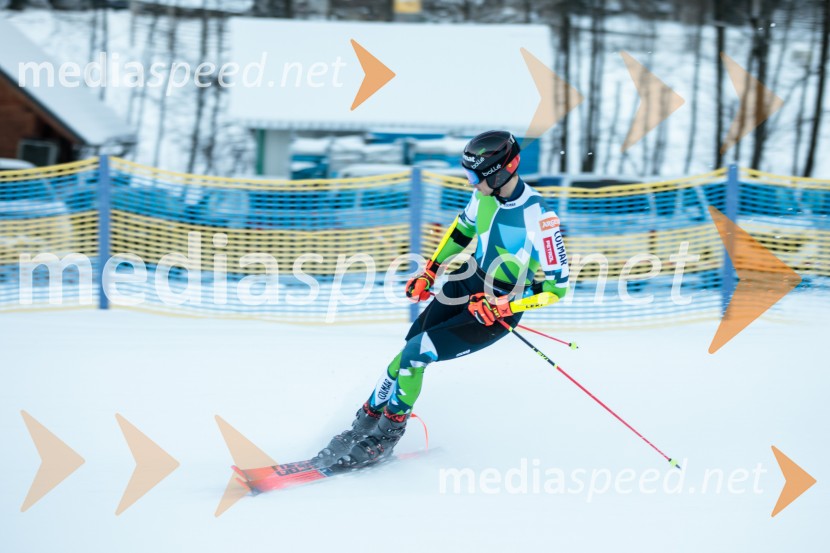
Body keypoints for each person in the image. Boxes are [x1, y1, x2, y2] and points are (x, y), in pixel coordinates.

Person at [315, 130, 570, 467]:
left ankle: (385, 436)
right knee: (407, 351)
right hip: (465, 282)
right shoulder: (484, 196)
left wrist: (507, 306)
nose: (471, 184)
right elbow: (463, 230)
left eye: (474, 176)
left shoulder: (540, 218)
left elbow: (558, 289)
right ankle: (362, 426)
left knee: (417, 353)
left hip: (497, 308)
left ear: (500, 172)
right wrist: (430, 271)